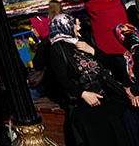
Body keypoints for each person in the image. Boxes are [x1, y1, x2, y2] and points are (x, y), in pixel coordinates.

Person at [47, 14, 130, 146]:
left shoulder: (82, 41)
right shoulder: (57, 49)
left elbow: (110, 63)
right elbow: (61, 79)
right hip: (86, 105)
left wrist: (91, 50)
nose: (79, 26)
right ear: (64, 26)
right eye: (75, 24)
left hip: (107, 97)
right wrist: (82, 94)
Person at [66, 0, 128, 81]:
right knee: (121, 44)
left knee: (110, 51)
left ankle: (121, 80)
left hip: (104, 22)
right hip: (118, 17)